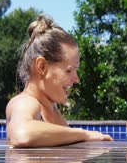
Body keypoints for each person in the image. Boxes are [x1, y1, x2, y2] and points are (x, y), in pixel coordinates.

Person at [6, 14, 113, 148]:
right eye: (69, 71)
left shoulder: (51, 108)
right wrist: (84, 134)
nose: (77, 79)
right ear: (41, 66)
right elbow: (22, 133)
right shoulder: (25, 102)